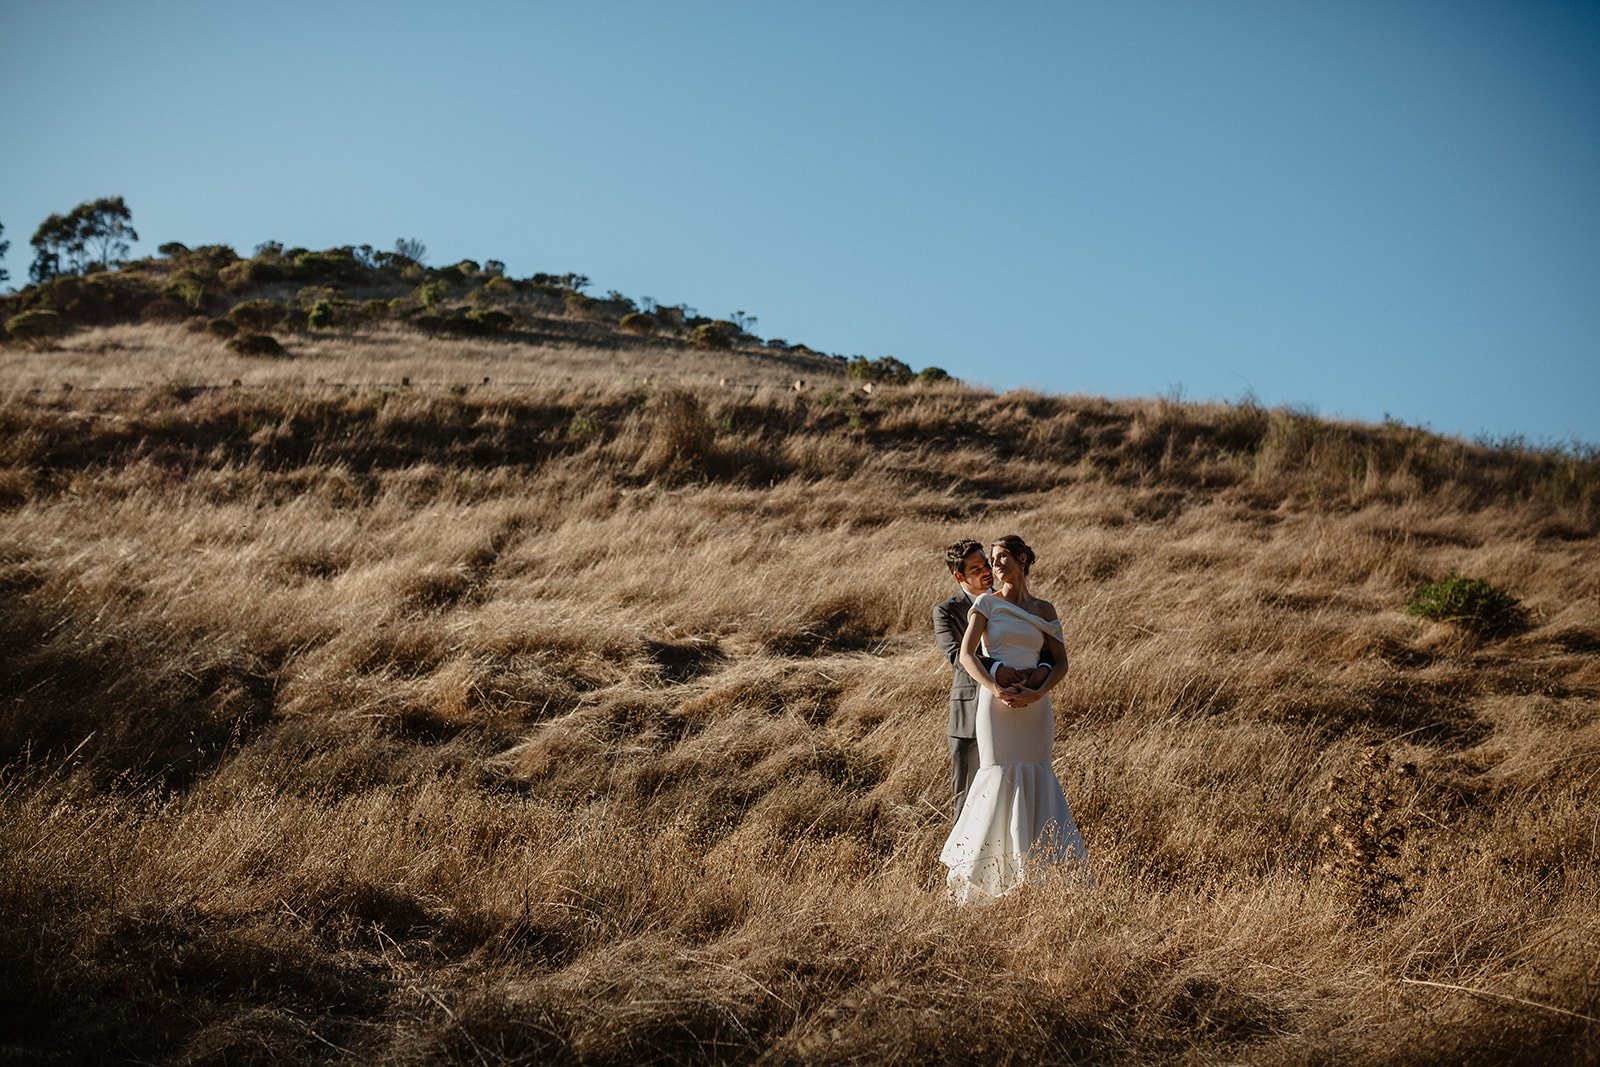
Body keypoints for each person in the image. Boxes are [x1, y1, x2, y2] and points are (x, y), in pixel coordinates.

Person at [940, 534, 1090, 903]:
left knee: (1037, 776)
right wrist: (995, 687)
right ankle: (986, 881)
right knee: (998, 777)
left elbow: (1061, 662)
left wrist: (1039, 691)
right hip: (998, 707)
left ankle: (1040, 879)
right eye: (993, 560)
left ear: (1022, 559)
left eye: (1003, 557)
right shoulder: (986, 605)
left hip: (1036, 708)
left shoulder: (1045, 609)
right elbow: (966, 655)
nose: (996, 565)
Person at [933, 540, 1050, 821]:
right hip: (971, 712)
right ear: (959, 576)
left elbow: (1043, 649)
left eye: (986, 563)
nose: (986, 571)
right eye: (976, 569)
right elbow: (956, 656)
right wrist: (997, 669)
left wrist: (1039, 673)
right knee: (969, 801)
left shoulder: (1011, 600)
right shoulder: (946, 611)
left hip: (1022, 706)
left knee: (1015, 793)